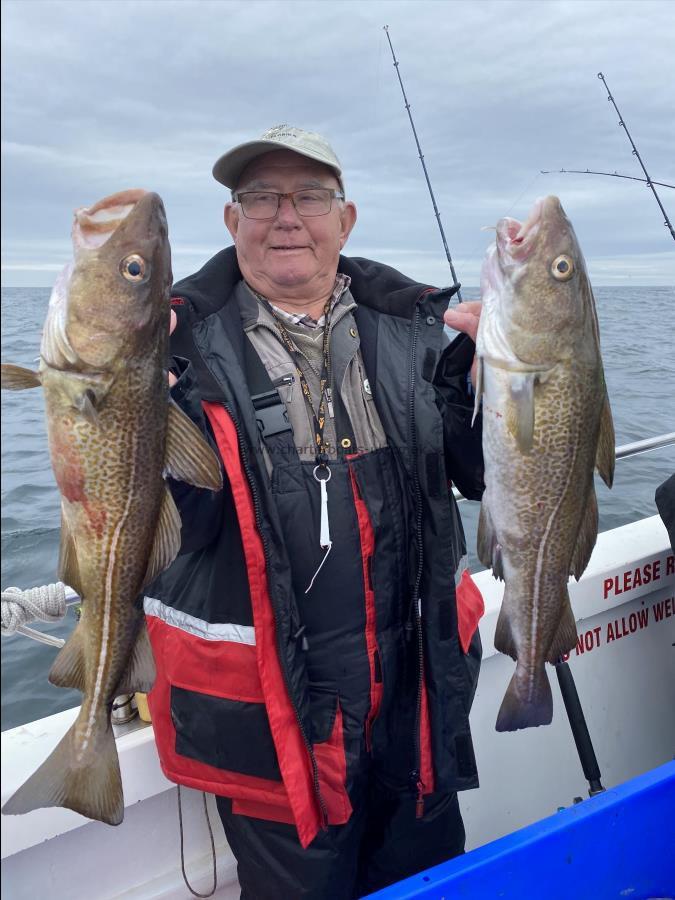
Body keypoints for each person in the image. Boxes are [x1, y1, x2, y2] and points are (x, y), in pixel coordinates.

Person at [145, 125, 485, 899]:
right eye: (261, 197)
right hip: (275, 720)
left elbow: (475, 475)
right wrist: (138, 412)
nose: (285, 216)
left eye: (309, 196)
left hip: (416, 698)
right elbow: (175, 535)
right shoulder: (175, 350)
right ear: (232, 224)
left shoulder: (416, 329)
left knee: (428, 884)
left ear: (346, 218)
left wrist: (500, 385)